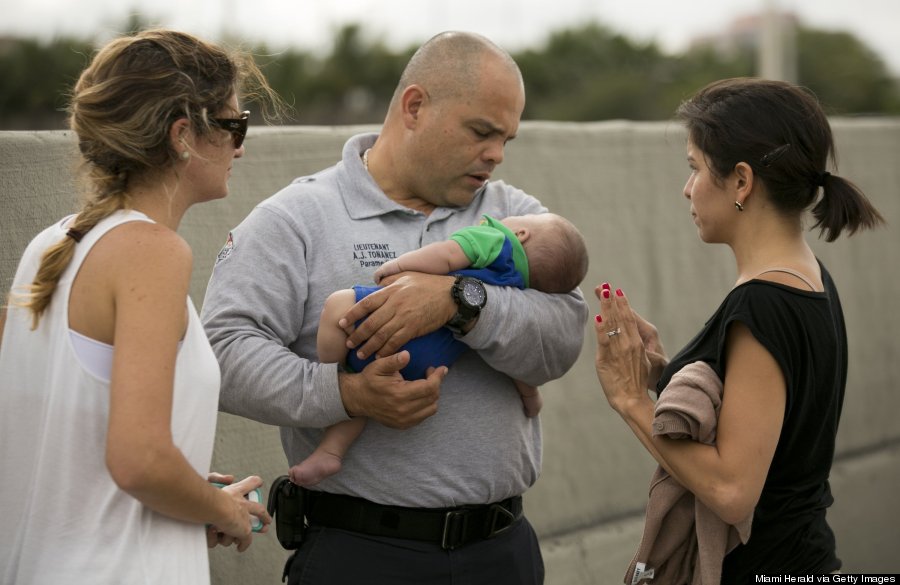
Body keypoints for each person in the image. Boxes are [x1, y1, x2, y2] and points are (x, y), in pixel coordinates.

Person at [201, 31, 587, 585]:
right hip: (361, 555)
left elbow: (564, 338)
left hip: (502, 553)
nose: (496, 155)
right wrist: (345, 394)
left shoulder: (515, 216)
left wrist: (461, 303)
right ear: (414, 107)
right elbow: (223, 352)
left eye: (507, 139)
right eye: (482, 132)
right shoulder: (295, 218)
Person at [0, 29, 282, 584]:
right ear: (183, 135)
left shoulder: (54, 244)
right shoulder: (152, 252)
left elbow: (78, 444)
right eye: (234, 125)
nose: (241, 146)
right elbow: (138, 460)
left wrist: (191, 493)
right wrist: (226, 510)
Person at [592, 77, 884, 582]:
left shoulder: (764, 303)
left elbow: (732, 490)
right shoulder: (808, 277)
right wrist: (661, 376)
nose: (687, 188)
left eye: (695, 168)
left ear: (742, 181)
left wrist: (630, 400)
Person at [290, 212, 589, 486]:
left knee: (338, 308)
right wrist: (530, 396)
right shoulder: (523, 288)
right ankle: (331, 451)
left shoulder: (497, 239)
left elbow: (446, 256)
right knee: (373, 396)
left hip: (384, 327)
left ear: (522, 233)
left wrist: (399, 266)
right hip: (433, 359)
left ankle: (335, 373)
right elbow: (517, 364)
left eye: (522, 217)